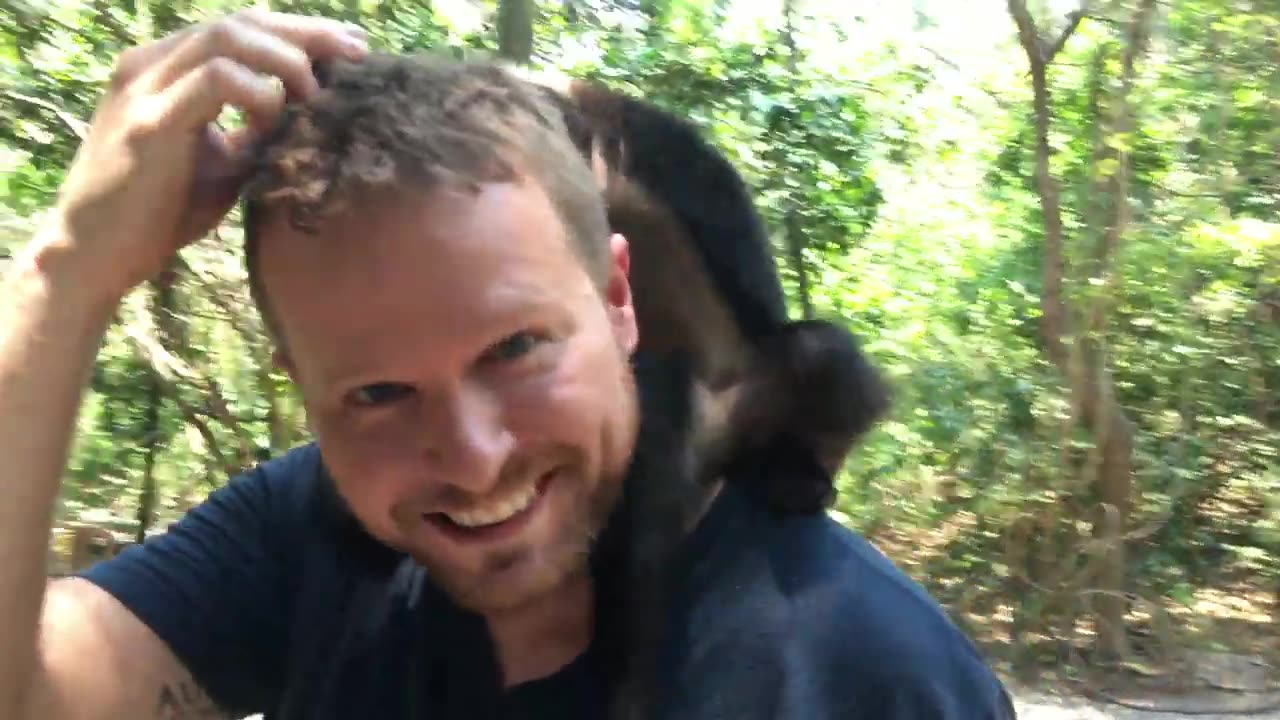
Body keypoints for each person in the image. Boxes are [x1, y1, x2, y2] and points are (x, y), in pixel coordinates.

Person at [0, 10, 1016, 720]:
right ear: (298, 386)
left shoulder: (855, 674)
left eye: (516, 349)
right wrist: (62, 277)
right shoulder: (308, 534)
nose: (473, 457)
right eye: (378, 392)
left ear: (619, 299)